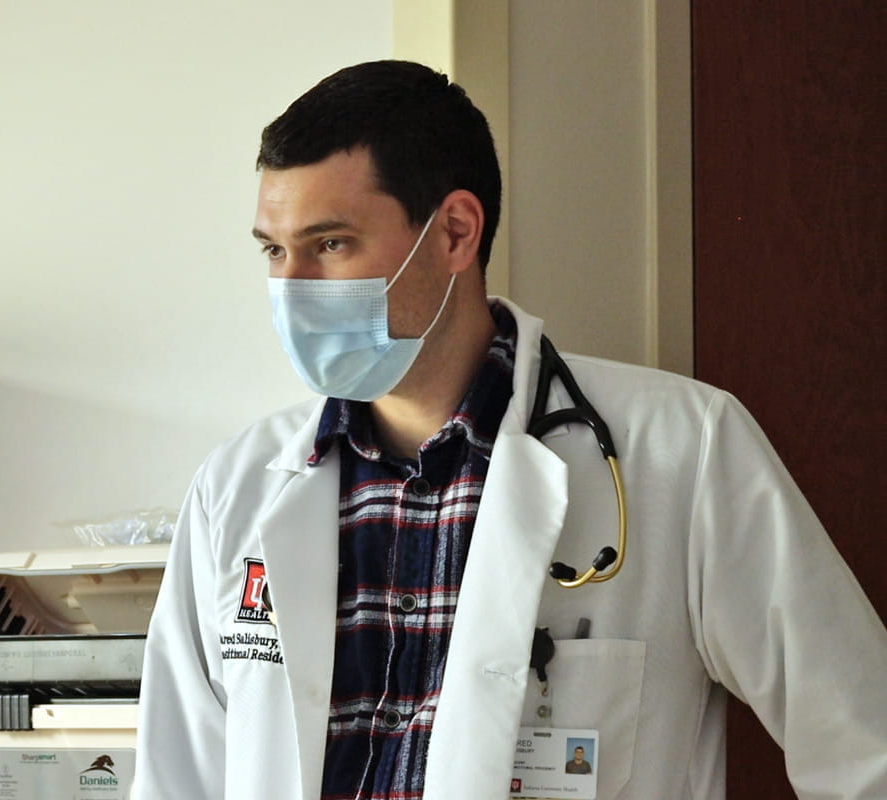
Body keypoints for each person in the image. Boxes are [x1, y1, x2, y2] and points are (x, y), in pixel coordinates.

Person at [132, 60, 887, 800]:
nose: (289, 288)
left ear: (456, 232)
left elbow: (864, 744)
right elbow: (177, 778)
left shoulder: (684, 449)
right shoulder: (236, 489)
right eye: (273, 249)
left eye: (330, 244)